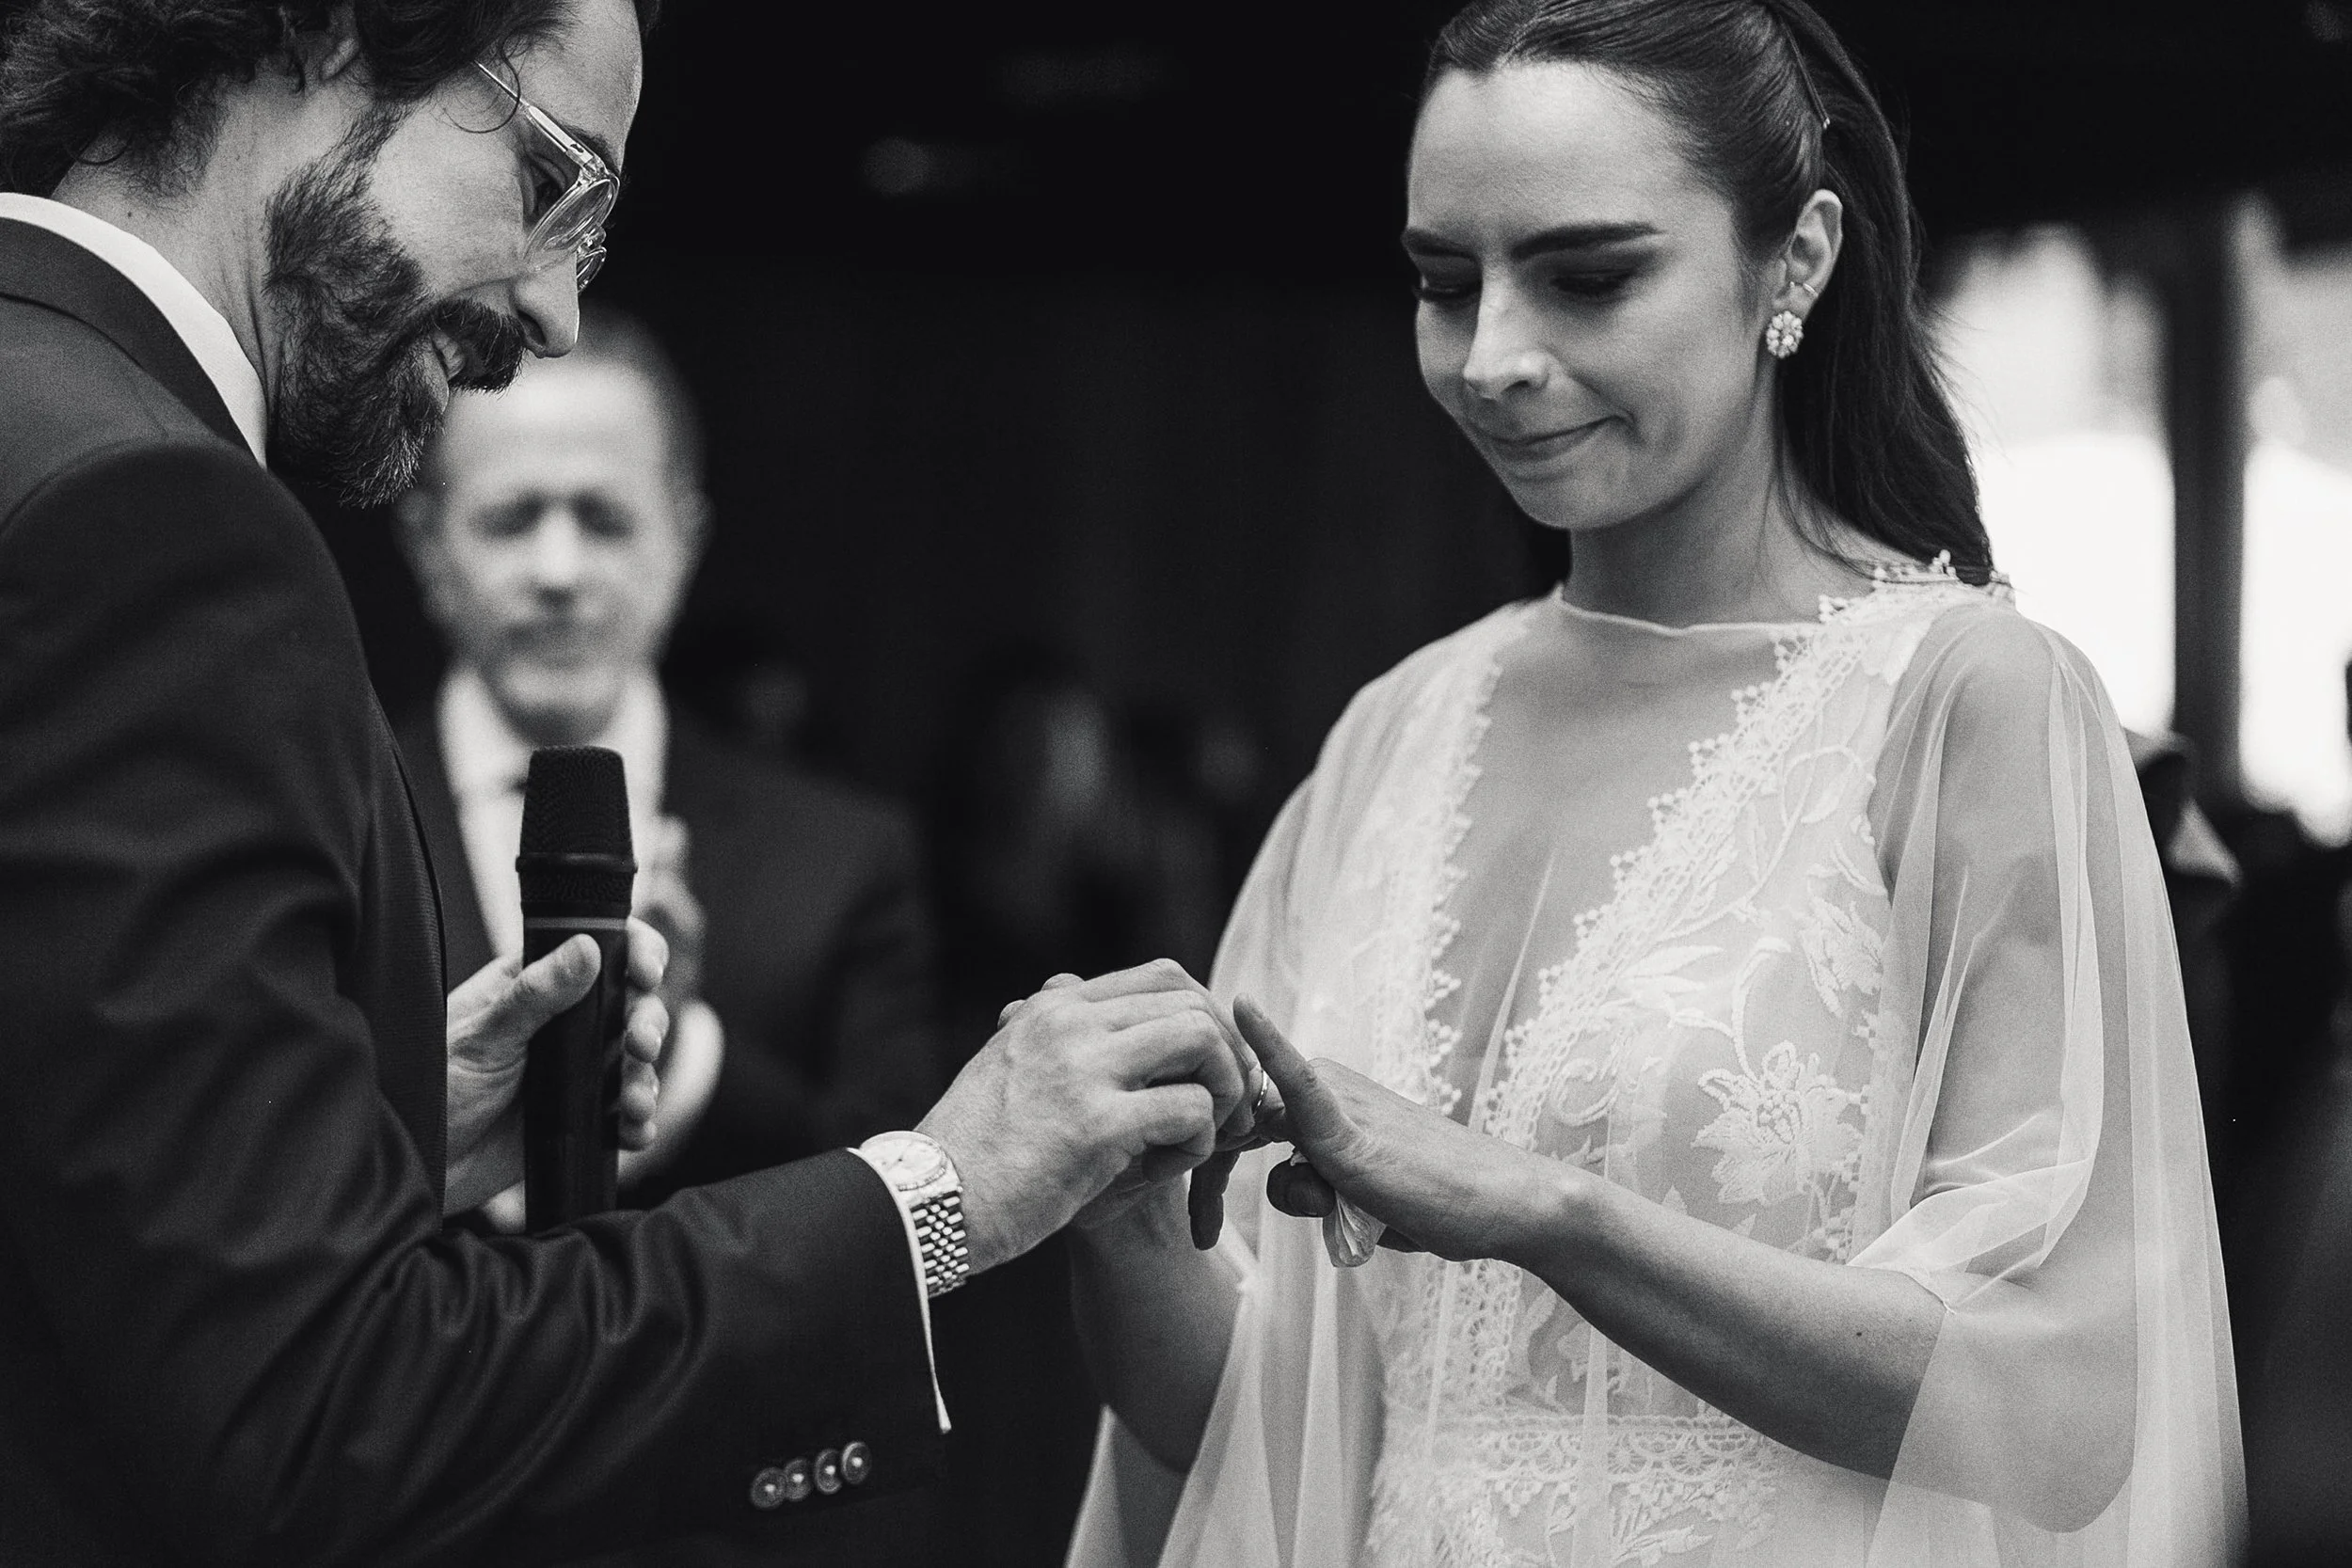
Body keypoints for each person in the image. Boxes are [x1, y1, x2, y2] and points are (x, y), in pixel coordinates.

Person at [0, 3, 1247, 1563]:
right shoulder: (153, 517)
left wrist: (383, 1133)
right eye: (550, 181)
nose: (555, 309)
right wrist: (943, 1184)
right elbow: (319, 1420)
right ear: (327, 39)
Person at [1064, 3, 2243, 1565]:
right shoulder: (1395, 734)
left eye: (1588, 276)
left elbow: (2064, 1407)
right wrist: (1122, 1219)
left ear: (1795, 261)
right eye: (1443, 283)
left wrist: (1552, 1212)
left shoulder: (1968, 703)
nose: (1493, 356)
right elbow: (1256, 1437)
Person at [394, 306, 942, 1221]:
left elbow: (909, 1213)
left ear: (683, 537)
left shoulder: (842, 857)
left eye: (605, 519)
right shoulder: (329, 816)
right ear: (428, 547)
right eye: (511, 519)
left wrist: (677, 1056)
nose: (559, 570)